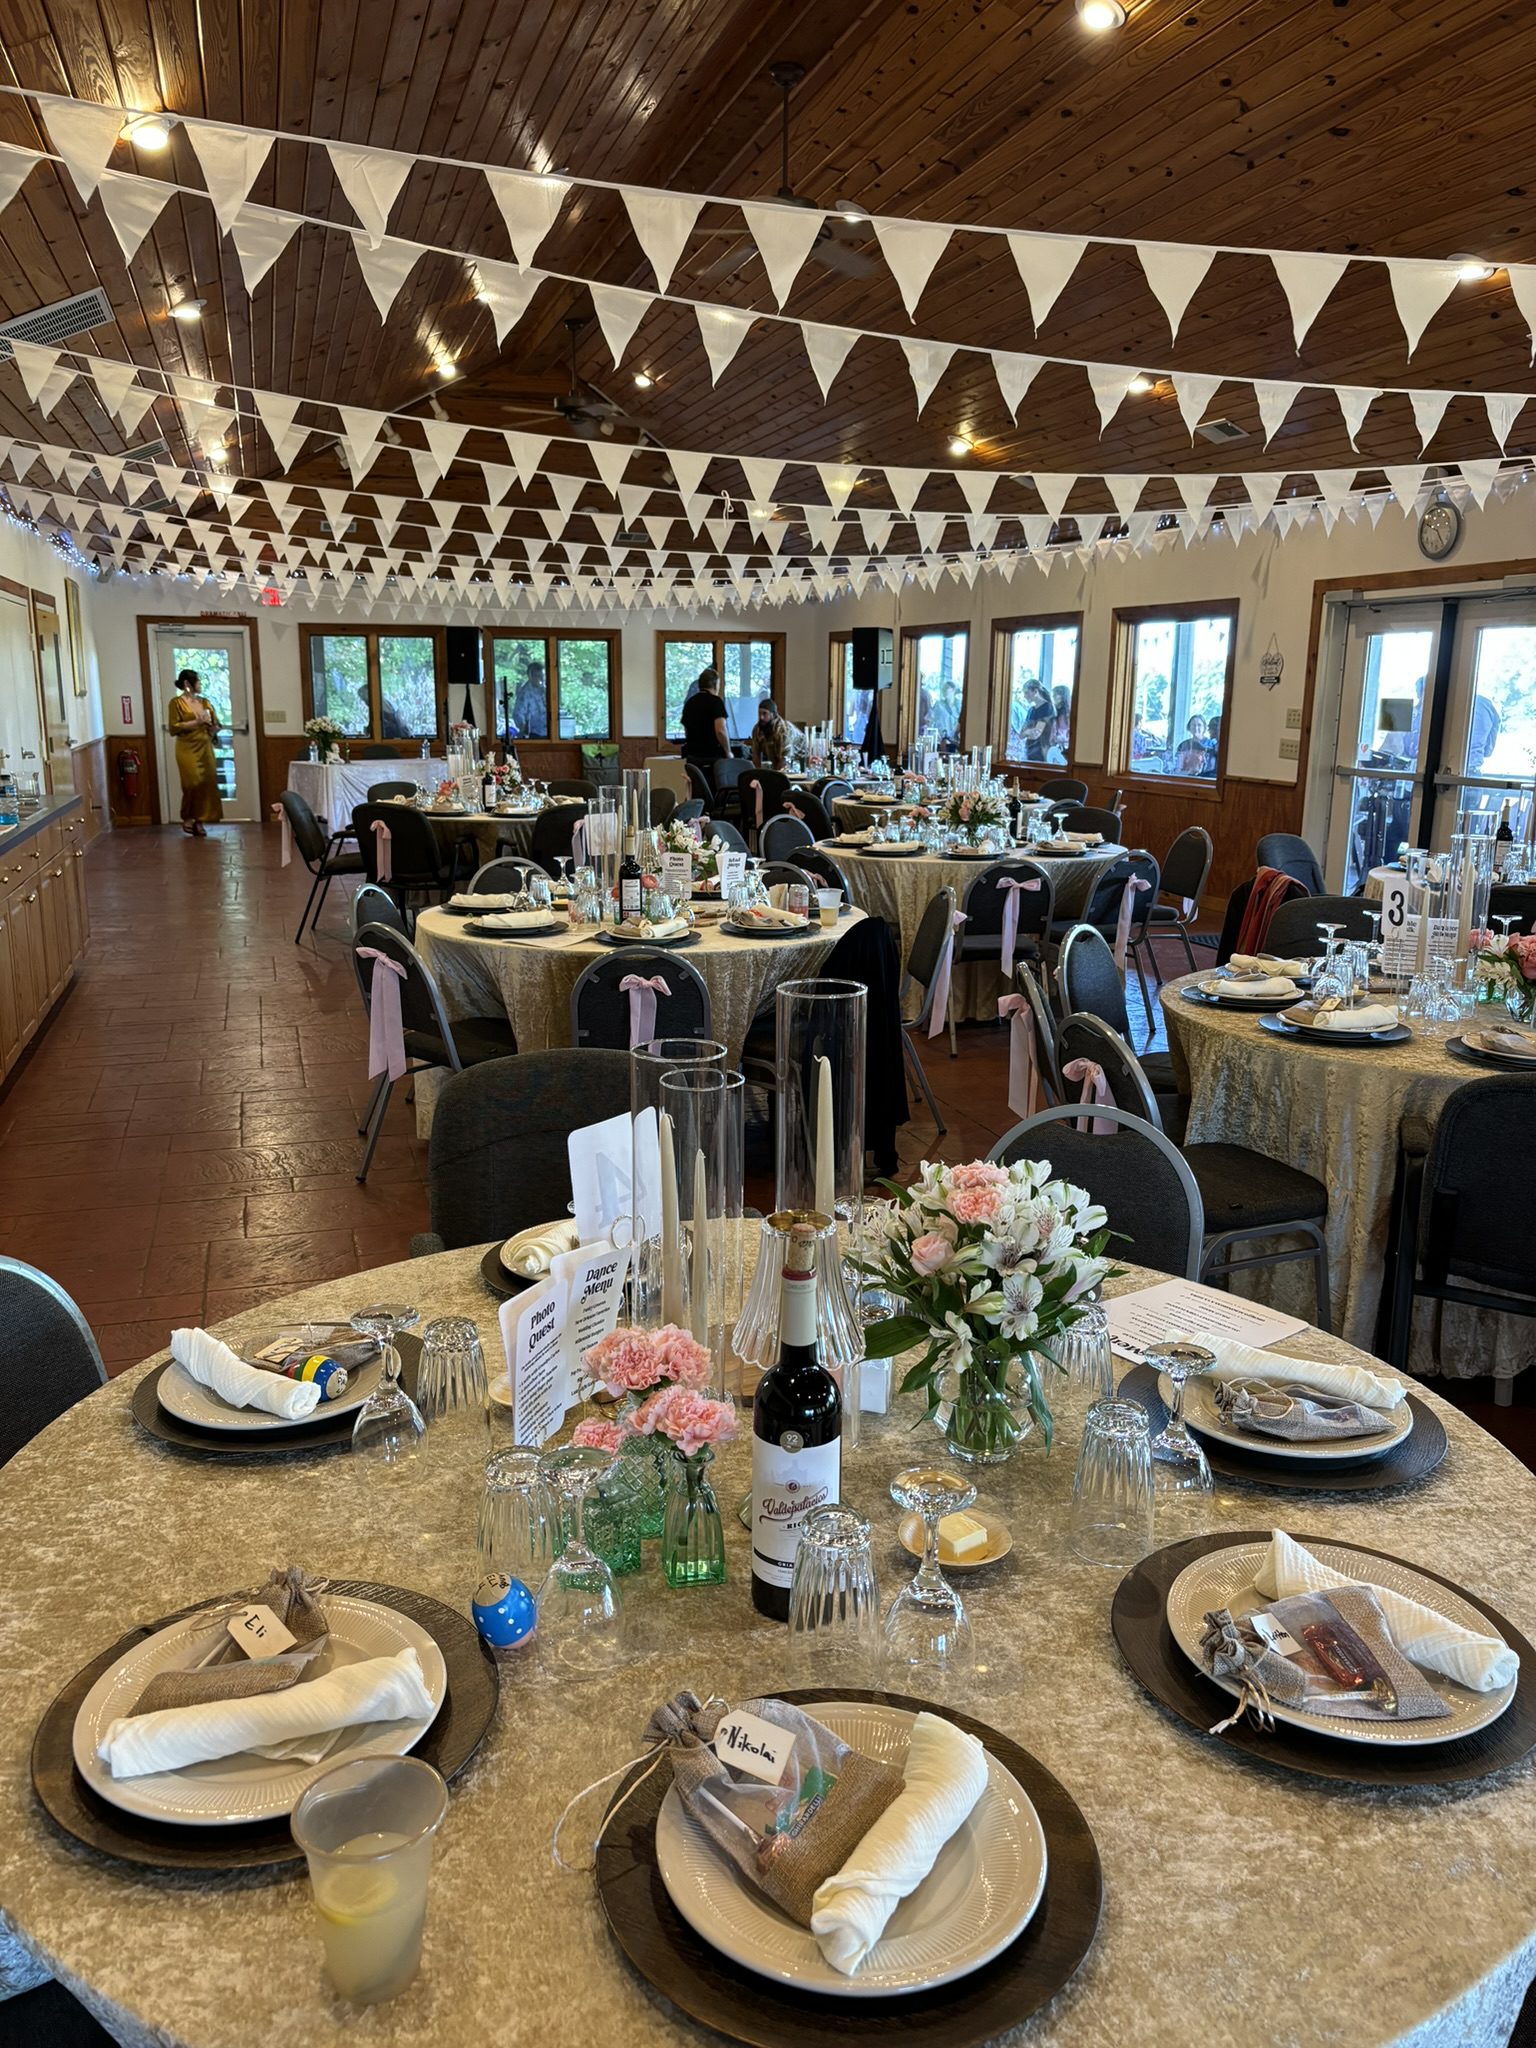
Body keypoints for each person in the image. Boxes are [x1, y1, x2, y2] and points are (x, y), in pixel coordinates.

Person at [167, 669, 222, 837]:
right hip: (186, 747)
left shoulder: (205, 702)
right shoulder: (176, 703)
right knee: (192, 782)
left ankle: (200, 820)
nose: (200, 684)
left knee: (206, 782)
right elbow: (173, 728)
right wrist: (196, 722)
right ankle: (187, 816)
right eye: (197, 681)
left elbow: (216, 725)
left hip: (204, 746)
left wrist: (213, 727)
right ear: (187, 684)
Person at [680, 665, 729, 770]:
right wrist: (728, 751)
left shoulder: (690, 703)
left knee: (696, 780)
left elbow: (686, 731)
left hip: (693, 759)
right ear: (715, 685)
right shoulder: (716, 702)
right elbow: (720, 730)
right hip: (713, 758)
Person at [1018, 679, 1053, 764]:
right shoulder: (1031, 710)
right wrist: (1028, 732)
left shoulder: (1047, 707)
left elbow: (1036, 734)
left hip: (1042, 754)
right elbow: (1021, 735)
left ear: (1035, 691)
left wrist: (1027, 732)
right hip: (1030, 752)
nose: (1024, 696)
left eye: (1027, 693)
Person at [750, 696, 787, 769]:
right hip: (777, 761)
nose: (761, 717)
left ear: (773, 715)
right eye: (759, 713)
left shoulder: (783, 730)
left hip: (799, 761)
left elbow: (784, 760)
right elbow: (756, 756)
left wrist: (774, 774)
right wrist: (757, 773)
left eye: (765, 714)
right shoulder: (757, 729)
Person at [1049, 683, 1072, 764]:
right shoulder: (1055, 713)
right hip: (1056, 747)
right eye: (1053, 694)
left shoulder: (1069, 714)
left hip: (1066, 749)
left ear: (1063, 696)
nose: (1053, 696)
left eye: (1057, 694)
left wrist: (1062, 739)